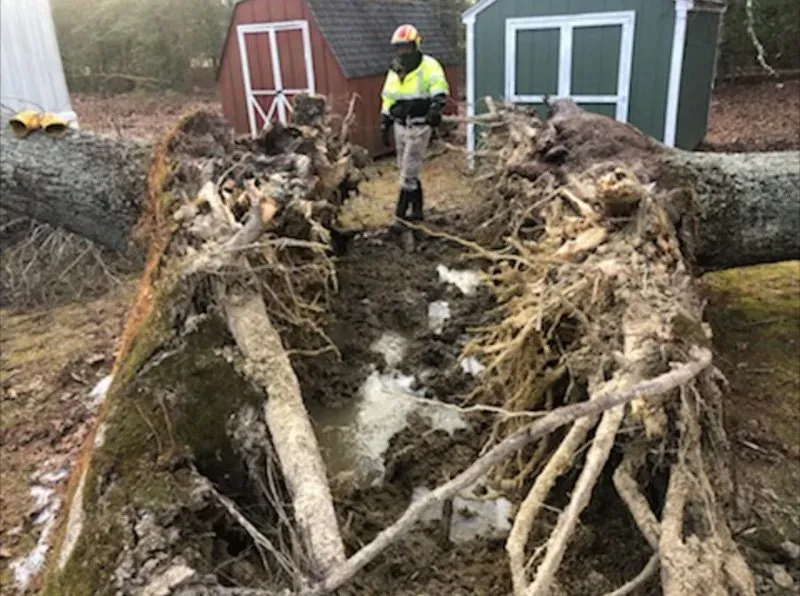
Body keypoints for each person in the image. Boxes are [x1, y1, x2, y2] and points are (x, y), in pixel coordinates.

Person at [380, 24, 450, 226]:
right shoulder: (394, 70)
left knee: (409, 171)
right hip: (400, 126)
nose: (403, 51)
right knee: (405, 168)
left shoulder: (429, 65)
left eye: (406, 47)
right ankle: (417, 212)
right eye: (399, 47)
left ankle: (399, 219)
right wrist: (384, 121)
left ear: (415, 45)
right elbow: (388, 97)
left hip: (420, 125)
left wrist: (436, 107)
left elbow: (439, 88)